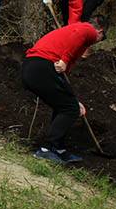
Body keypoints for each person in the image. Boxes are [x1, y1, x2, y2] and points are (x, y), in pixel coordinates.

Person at [21, 16, 108, 163]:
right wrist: (65, 60)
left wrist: (74, 100)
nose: (97, 42)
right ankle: (47, 149)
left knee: (65, 106)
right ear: (100, 31)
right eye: (102, 38)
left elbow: (62, 82)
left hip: (34, 67)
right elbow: (80, 35)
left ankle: (58, 149)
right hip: (41, 66)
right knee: (70, 109)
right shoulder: (88, 30)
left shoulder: (72, 35)